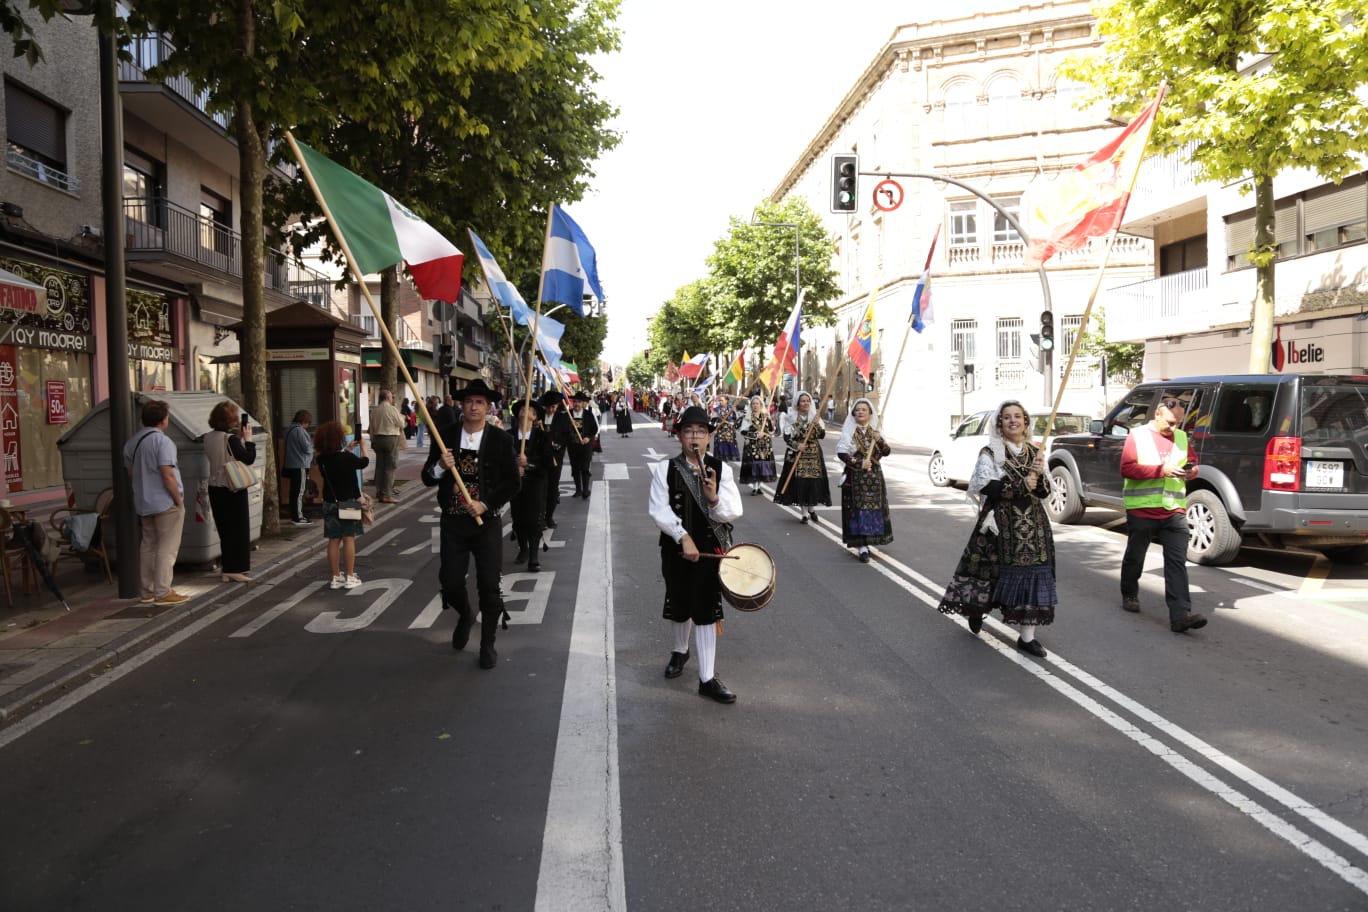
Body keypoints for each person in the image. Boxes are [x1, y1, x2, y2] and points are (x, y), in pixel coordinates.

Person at [937, 400, 1056, 657]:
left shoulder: (1035, 453)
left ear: (1026, 422)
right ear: (999, 424)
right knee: (991, 575)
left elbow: (1044, 492)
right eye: (1006, 417)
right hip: (1000, 527)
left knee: (1034, 576)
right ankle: (977, 611)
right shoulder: (990, 452)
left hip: (1033, 527)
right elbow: (986, 487)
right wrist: (1021, 484)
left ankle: (1027, 637)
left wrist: (1040, 478)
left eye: (1017, 416)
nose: (1013, 421)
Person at [648, 405, 744, 704]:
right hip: (676, 549)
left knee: (704, 608)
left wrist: (713, 496)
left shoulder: (721, 468)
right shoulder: (666, 468)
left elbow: (733, 511)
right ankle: (680, 651)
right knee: (679, 601)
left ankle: (706, 678)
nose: (694, 437)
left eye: (700, 432)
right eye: (688, 432)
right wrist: (683, 537)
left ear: (709, 437)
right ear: (679, 436)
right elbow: (658, 509)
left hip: (711, 550)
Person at [423, 378, 520, 669]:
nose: (474, 407)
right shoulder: (446, 435)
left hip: (485, 523)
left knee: (490, 585)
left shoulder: (501, 440)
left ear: (488, 406)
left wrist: (487, 503)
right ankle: (465, 614)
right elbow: (427, 477)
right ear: (461, 405)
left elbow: (513, 483)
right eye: (469, 402)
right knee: (450, 581)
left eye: (479, 402)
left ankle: (487, 642)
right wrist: (441, 466)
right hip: (453, 522)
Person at [1120, 390, 1209, 634]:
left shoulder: (1181, 436)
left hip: (1173, 510)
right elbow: (1127, 469)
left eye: (1178, 423)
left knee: (1177, 562)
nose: (1173, 427)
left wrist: (1192, 471)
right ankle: (1129, 593)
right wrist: (1162, 470)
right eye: (1170, 422)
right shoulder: (1137, 435)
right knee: (1136, 555)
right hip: (1142, 509)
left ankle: (1180, 615)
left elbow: (1192, 462)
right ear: (1157, 414)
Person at [123, 399, 189, 605]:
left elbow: (131, 472)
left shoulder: (132, 443)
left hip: (143, 501)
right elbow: (167, 474)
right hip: (165, 501)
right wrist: (178, 500)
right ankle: (163, 591)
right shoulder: (163, 442)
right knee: (167, 548)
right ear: (163, 420)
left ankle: (147, 590)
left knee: (148, 545)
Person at [835, 397, 892, 563]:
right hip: (855, 477)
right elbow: (842, 453)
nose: (860, 412)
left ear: (869, 413)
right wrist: (859, 462)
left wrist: (879, 439)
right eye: (857, 410)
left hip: (874, 476)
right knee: (857, 509)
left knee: (873, 509)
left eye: (864, 410)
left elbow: (887, 451)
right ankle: (861, 545)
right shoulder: (848, 432)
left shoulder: (875, 431)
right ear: (853, 413)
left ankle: (870, 539)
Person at [205, 400, 256, 583]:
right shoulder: (231, 439)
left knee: (225, 530)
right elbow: (248, 458)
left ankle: (227, 568)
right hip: (232, 487)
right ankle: (235, 568)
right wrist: (248, 441)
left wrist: (239, 440)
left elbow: (225, 454)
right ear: (230, 420)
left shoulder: (208, 437)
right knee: (238, 530)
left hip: (214, 487)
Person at [314, 420, 368, 589]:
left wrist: (348, 450)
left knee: (333, 539)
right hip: (349, 502)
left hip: (330, 502)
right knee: (349, 538)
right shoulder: (347, 458)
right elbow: (363, 462)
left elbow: (335, 461)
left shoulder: (321, 460)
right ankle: (350, 576)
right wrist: (363, 446)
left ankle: (336, 577)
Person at [774, 390, 832, 524]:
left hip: (813, 454)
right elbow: (787, 437)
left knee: (812, 482)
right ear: (798, 403)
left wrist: (816, 423)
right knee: (800, 482)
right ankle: (804, 513)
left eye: (807, 401)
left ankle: (811, 509)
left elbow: (821, 435)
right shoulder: (791, 417)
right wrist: (797, 445)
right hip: (797, 454)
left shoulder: (815, 416)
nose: (805, 403)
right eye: (803, 401)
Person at [509, 398, 551, 572]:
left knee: (534, 520)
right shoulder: (508, 436)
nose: (525, 411)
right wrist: (513, 467)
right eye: (522, 408)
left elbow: (547, 462)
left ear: (534, 417)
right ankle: (523, 549)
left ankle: (534, 556)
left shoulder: (542, 436)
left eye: (530, 410)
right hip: (515, 485)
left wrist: (529, 464)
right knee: (518, 519)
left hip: (535, 484)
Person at [541, 390, 573, 528]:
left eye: (553, 407)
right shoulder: (538, 417)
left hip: (555, 458)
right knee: (540, 488)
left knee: (553, 488)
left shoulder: (562, 418)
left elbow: (567, 436)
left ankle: (549, 516)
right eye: (548, 407)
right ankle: (540, 517)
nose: (551, 410)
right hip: (540, 458)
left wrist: (557, 445)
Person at [368, 388, 405, 503]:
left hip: (378, 439)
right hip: (390, 438)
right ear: (388, 398)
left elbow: (371, 428)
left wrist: (372, 441)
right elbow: (401, 424)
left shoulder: (375, 410)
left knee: (379, 467)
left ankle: (379, 492)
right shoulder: (392, 409)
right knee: (390, 467)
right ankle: (387, 494)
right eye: (391, 397)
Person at [738, 395, 776, 496]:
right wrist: (755, 435)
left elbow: (771, 430)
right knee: (754, 466)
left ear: (761, 405)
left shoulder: (765, 416)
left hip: (764, 445)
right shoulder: (747, 417)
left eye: (757, 404)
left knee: (762, 466)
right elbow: (743, 432)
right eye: (753, 404)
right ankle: (754, 488)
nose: (755, 405)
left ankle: (759, 486)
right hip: (752, 445)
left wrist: (769, 419)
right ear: (751, 405)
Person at [283, 409, 314, 526]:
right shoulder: (299, 431)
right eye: (308, 423)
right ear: (304, 421)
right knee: (299, 492)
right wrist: (313, 445)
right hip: (300, 464)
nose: (307, 426)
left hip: (291, 464)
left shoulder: (289, 430)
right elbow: (307, 448)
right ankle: (298, 517)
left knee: (294, 492)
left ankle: (294, 515)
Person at [566, 390, 599, 499]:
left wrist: (588, 438)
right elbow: (565, 430)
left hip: (585, 445)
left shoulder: (588, 414)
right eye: (575, 401)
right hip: (573, 446)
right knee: (575, 468)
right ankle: (578, 490)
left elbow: (594, 429)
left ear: (582, 403)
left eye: (579, 402)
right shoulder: (569, 415)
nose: (576, 404)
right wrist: (572, 438)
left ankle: (585, 489)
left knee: (585, 467)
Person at [712, 395, 741, 461]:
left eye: (722, 400)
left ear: (726, 401)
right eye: (720, 400)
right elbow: (712, 421)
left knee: (730, 446)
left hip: (730, 433)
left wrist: (733, 422)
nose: (720, 402)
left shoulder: (731, 409)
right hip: (720, 433)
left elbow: (736, 420)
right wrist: (717, 424)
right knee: (720, 456)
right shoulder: (716, 410)